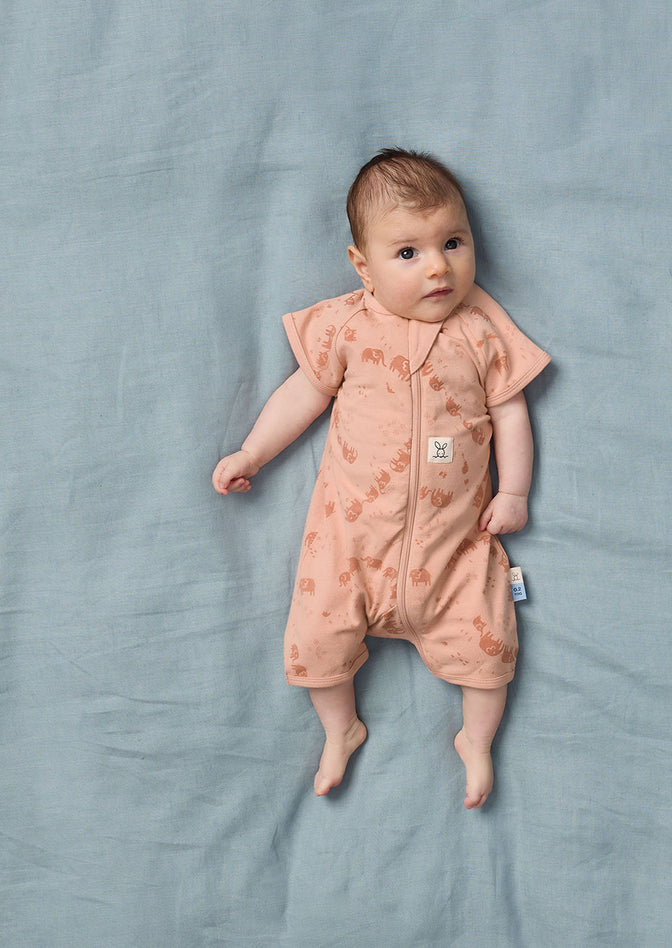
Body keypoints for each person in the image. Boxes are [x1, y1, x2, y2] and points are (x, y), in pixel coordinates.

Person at [212, 148, 550, 808]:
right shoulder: (347, 326)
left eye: (453, 242)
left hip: (455, 549)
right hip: (350, 546)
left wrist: (513, 493)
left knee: (491, 647)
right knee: (315, 635)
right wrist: (251, 454)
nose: (438, 267)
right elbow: (303, 396)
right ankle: (342, 728)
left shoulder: (481, 333)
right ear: (362, 266)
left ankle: (476, 742)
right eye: (408, 254)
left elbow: (512, 413)